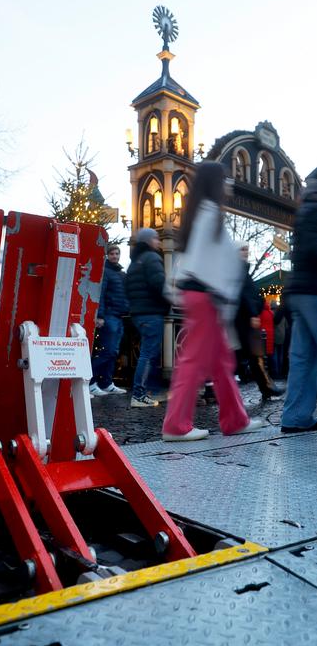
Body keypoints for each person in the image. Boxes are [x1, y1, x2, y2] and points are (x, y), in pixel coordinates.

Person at [162, 162, 265, 441]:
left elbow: (191, 259)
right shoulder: (210, 215)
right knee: (195, 360)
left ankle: (235, 419)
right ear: (215, 182)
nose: (228, 184)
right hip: (206, 295)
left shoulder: (200, 213)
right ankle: (175, 425)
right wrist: (227, 300)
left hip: (199, 293)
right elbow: (209, 264)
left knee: (220, 361)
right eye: (224, 180)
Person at [280, 168, 317, 433]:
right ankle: (297, 416)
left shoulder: (305, 209)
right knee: (305, 357)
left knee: (303, 357)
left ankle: (295, 417)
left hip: (300, 291)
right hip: (314, 290)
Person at [126, 227, 170, 408]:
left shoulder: (134, 262)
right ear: (149, 240)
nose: (159, 242)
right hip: (151, 312)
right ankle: (139, 394)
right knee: (148, 354)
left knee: (148, 353)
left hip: (139, 313)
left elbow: (128, 288)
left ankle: (147, 390)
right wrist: (168, 302)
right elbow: (159, 284)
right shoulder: (152, 258)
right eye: (156, 238)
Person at [235, 244, 283, 401]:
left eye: (246, 249)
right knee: (255, 356)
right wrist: (253, 312)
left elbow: (248, 294)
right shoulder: (240, 271)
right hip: (245, 319)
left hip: (245, 318)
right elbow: (245, 294)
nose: (246, 252)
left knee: (255, 357)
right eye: (242, 249)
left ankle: (267, 387)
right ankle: (267, 387)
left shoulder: (242, 270)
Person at [90, 244, 128, 396]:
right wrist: (100, 315)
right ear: (107, 255)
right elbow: (101, 294)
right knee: (108, 351)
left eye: (117, 253)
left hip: (119, 317)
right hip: (109, 316)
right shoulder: (105, 272)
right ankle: (90, 382)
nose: (115, 256)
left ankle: (106, 383)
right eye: (112, 253)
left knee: (114, 352)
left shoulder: (120, 273)